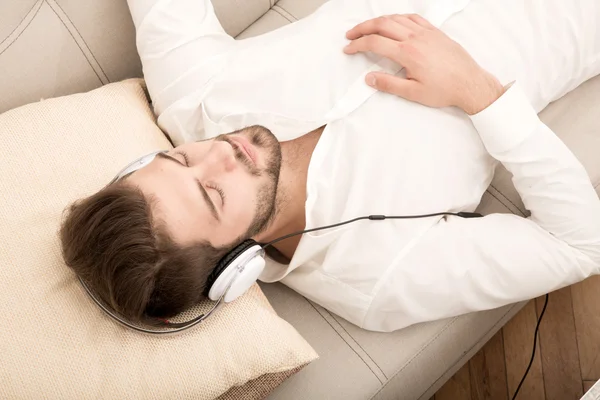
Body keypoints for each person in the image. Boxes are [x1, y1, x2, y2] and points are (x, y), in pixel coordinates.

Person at [59, 0, 600, 332]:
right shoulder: (378, 278)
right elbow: (582, 244)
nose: (218, 153)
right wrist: (477, 91)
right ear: (237, 266)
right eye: (213, 195)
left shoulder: (194, 100)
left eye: (178, 158)